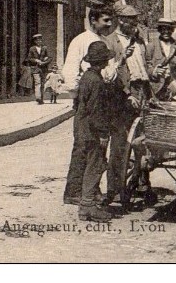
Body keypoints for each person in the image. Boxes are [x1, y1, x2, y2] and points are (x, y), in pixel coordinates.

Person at [61, 6, 116, 206]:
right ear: (93, 20)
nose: (109, 24)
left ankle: (90, 189)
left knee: (97, 149)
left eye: (111, 20)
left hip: (102, 96)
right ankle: (74, 191)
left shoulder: (105, 42)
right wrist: (79, 94)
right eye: (106, 20)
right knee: (83, 146)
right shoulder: (81, 41)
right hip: (87, 99)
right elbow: (69, 70)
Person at [101, 4, 149, 210]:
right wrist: (128, 94)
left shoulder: (139, 42)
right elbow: (112, 73)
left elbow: (143, 68)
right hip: (121, 98)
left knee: (141, 142)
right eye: (132, 21)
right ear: (121, 20)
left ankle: (140, 182)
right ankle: (113, 189)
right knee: (120, 145)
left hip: (142, 93)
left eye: (136, 20)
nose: (135, 24)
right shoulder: (110, 42)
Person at [71, 41, 118, 222]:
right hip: (92, 131)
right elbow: (96, 111)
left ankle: (87, 204)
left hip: (82, 128)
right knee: (96, 164)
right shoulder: (97, 82)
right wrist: (103, 134)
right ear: (103, 61)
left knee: (90, 164)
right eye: (106, 59)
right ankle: (88, 206)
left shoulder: (86, 77)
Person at [144, 18, 176, 101]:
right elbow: (146, 66)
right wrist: (154, 72)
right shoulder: (151, 46)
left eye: (169, 29)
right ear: (159, 30)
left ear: (172, 30)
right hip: (157, 89)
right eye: (163, 29)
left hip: (174, 88)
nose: (166, 32)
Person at [23, 34, 52, 105]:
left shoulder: (45, 48)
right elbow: (29, 58)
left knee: (42, 84)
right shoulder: (32, 49)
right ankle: (38, 97)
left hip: (44, 68)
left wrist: (44, 62)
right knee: (37, 82)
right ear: (35, 41)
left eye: (40, 40)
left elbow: (50, 58)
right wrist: (36, 60)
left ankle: (41, 99)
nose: (39, 41)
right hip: (35, 69)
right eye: (37, 40)